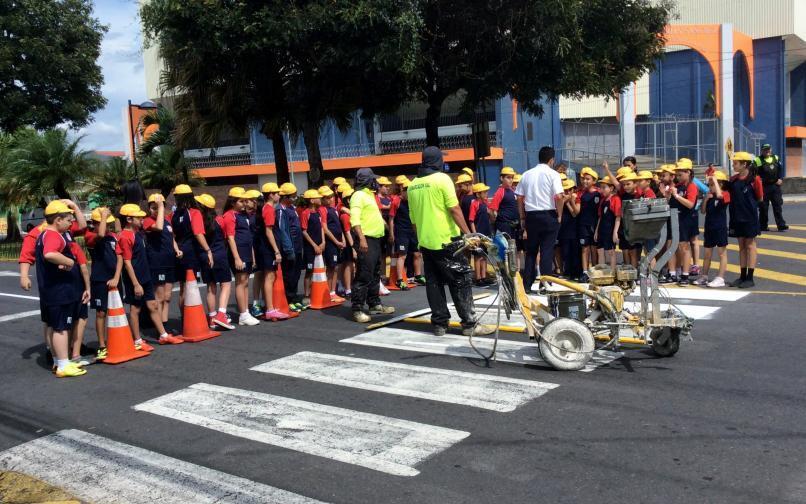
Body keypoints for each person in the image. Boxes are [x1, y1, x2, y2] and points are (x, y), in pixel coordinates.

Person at [408, 146, 488, 337]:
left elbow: (413, 221)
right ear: (437, 162)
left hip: (426, 242)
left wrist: (423, 238)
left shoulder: (412, 186)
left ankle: (439, 324)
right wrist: (468, 234)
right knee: (460, 281)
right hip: (448, 241)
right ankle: (469, 324)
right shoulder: (442, 179)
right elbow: (454, 209)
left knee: (434, 284)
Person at [116, 203, 184, 347]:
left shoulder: (137, 234)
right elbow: (127, 262)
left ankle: (163, 335)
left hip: (145, 276)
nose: (142, 219)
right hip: (136, 279)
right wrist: (135, 284)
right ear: (129, 219)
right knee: (135, 309)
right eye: (138, 217)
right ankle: (137, 340)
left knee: (152, 305)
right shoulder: (125, 236)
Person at [36, 201, 86, 377]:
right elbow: (49, 254)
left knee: (54, 326)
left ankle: (59, 362)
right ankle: (64, 365)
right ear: (57, 220)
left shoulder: (45, 234)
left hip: (52, 290)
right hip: (59, 291)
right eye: (68, 220)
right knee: (61, 328)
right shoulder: (53, 235)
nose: (71, 223)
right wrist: (69, 262)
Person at [515, 146, 564, 293]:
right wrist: (560, 214)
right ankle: (545, 284)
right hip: (549, 214)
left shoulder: (526, 174)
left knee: (531, 251)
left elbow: (519, 197)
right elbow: (559, 196)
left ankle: (527, 285)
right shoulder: (553, 174)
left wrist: (522, 216)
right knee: (547, 250)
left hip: (531, 216)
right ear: (551, 160)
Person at [350, 168, 395, 322]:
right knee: (364, 274)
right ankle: (357, 309)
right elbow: (354, 219)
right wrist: (361, 238)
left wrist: (388, 231)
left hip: (375, 239)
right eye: (373, 180)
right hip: (366, 239)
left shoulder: (369, 195)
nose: (375, 182)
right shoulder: (358, 196)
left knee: (375, 273)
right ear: (367, 181)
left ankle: (374, 303)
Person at [196, 193, 235, 330]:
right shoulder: (219, 220)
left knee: (210, 287)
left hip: (204, 256)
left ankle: (212, 318)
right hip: (219, 254)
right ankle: (221, 314)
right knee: (225, 284)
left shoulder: (198, 221)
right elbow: (225, 237)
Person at [171, 184, 214, 308]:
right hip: (190, 253)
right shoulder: (194, 213)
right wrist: (208, 250)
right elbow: (198, 233)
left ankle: (185, 320)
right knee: (191, 287)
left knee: (182, 288)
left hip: (178, 251)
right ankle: (191, 319)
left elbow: (172, 234)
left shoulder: (173, 215)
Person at [222, 187, 260, 326]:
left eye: (245, 201)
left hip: (247, 252)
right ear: (233, 202)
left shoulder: (244, 215)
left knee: (245, 282)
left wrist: (253, 256)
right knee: (240, 281)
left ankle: (245, 313)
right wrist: (237, 257)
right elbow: (231, 238)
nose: (244, 204)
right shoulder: (229, 215)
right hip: (238, 252)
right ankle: (243, 314)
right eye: (241, 201)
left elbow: (249, 236)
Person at [143, 194, 180, 334]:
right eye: (153, 208)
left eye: (158, 207)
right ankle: (159, 329)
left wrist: (176, 249)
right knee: (159, 296)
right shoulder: (147, 221)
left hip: (169, 261)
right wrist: (160, 207)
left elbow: (171, 238)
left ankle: (165, 323)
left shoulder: (167, 221)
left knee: (167, 296)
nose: (156, 210)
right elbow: (158, 227)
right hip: (157, 263)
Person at [85, 207, 118, 361]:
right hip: (99, 280)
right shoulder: (91, 236)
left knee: (116, 310)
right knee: (101, 312)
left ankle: (116, 340)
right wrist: (103, 215)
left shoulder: (113, 237)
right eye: (103, 222)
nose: (107, 226)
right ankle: (101, 345)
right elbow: (100, 234)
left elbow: (119, 257)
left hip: (114, 278)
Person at [729, 152, 764, 288]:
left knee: (750, 246)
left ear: (745, 164)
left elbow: (760, 198)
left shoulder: (755, 180)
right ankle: (742, 276)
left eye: (736, 163)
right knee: (741, 246)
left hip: (749, 217)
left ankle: (750, 277)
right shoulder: (733, 180)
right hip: (736, 217)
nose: (733, 165)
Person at [255, 182, 289, 321]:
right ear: (271, 195)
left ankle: (269, 307)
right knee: (269, 277)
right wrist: (276, 251)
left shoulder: (266, 208)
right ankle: (270, 309)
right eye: (277, 193)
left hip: (267, 247)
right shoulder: (268, 209)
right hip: (268, 249)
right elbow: (269, 232)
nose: (279, 195)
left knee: (269, 276)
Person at [388, 178, 424, 290]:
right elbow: (391, 218)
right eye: (407, 190)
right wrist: (391, 233)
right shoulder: (396, 201)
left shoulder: (413, 201)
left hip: (412, 231)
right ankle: (399, 280)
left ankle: (418, 276)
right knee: (402, 255)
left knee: (417, 254)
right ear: (402, 190)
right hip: (401, 232)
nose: (409, 193)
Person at [697, 170, 731, 287]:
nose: (710, 187)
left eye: (712, 185)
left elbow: (721, 196)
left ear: (720, 184)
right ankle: (704, 276)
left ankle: (720, 277)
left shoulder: (725, 194)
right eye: (710, 185)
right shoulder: (710, 196)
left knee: (722, 254)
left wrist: (715, 181)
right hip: (709, 227)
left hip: (720, 227)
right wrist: (706, 199)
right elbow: (702, 211)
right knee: (707, 254)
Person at [668, 159, 699, 286]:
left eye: (681, 174)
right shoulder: (678, 187)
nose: (678, 177)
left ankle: (685, 274)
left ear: (688, 172)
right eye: (677, 174)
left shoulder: (691, 186)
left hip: (686, 220)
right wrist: (668, 196)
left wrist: (676, 196)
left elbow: (690, 204)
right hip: (675, 218)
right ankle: (672, 273)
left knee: (684, 247)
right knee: (672, 246)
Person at [278, 183, 305, 311]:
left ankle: (293, 297)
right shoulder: (281, 211)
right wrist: (288, 249)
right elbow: (282, 231)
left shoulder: (291, 208)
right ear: (285, 197)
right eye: (292, 197)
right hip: (290, 247)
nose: (294, 199)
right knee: (289, 275)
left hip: (298, 246)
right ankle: (288, 299)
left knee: (296, 273)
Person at [489, 167, 522, 265]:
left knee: (512, 250)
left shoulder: (512, 191)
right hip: (504, 225)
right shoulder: (500, 192)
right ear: (501, 178)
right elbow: (492, 210)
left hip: (513, 226)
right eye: (508, 177)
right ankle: (504, 272)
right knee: (503, 250)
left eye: (512, 177)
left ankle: (512, 272)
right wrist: (496, 221)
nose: (511, 180)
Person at [320, 186, 346, 302]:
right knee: (331, 267)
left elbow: (339, 227)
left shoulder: (333, 209)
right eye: (327, 197)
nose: (330, 199)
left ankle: (333, 291)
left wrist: (343, 239)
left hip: (338, 242)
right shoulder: (323, 210)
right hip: (331, 243)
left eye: (331, 197)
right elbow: (325, 228)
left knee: (335, 267)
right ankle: (329, 291)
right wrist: (336, 241)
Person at [754, 143, 788, 232]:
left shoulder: (775, 157)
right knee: (763, 208)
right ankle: (763, 226)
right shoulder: (758, 160)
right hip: (764, 187)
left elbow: (780, 169)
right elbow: (754, 174)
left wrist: (780, 178)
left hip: (775, 187)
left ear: (771, 149)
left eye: (768, 149)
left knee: (777, 206)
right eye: (765, 149)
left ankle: (781, 225)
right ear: (762, 150)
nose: (767, 151)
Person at [575, 167, 601, 277]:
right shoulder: (580, 193)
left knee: (594, 249)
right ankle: (585, 272)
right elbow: (577, 210)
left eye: (588, 179)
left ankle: (594, 270)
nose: (585, 181)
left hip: (594, 225)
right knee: (585, 248)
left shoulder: (599, 194)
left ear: (594, 181)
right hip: (583, 225)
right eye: (583, 179)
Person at [593, 176, 621, 272]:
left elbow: (618, 216)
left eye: (604, 187)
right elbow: (600, 217)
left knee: (611, 252)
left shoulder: (615, 199)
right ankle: (602, 272)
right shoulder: (602, 200)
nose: (602, 190)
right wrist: (596, 231)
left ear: (611, 188)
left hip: (610, 229)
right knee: (600, 250)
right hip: (602, 229)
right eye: (601, 187)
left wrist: (615, 232)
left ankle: (612, 273)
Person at [468, 182, 493, 286]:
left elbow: (492, 216)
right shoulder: (474, 204)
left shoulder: (486, 203)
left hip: (486, 233)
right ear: (478, 194)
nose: (487, 193)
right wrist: (475, 234)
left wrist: (490, 212)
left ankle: (483, 276)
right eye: (484, 192)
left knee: (484, 255)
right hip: (479, 233)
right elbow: (471, 220)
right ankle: (478, 278)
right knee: (478, 256)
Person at [617, 172, 642, 268]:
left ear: (635, 184)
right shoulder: (623, 195)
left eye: (628, 184)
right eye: (624, 185)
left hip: (634, 228)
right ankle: (628, 271)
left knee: (633, 251)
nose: (626, 187)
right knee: (625, 249)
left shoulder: (638, 195)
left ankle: (634, 272)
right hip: (624, 227)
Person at [558, 178, 582, 280]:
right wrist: (563, 201)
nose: (567, 192)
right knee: (565, 251)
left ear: (573, 190)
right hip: (564, 228)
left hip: (574, 228)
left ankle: (577, 272)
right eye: (565, 190)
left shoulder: (576, 198)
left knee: (575, 251)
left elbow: (575, 213)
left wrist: (569, 202)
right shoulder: (560, 199)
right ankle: (567, 271)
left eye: (569, 190)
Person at [338, 187, 357, 297]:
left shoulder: (350, 212)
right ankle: (348, 289)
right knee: (348, 265)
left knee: (352, 265)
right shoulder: (345, 216)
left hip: (353, 242)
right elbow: (348, 232)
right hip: (349, 243)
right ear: (348, 200)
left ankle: (351, 286)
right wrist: (353, 248)